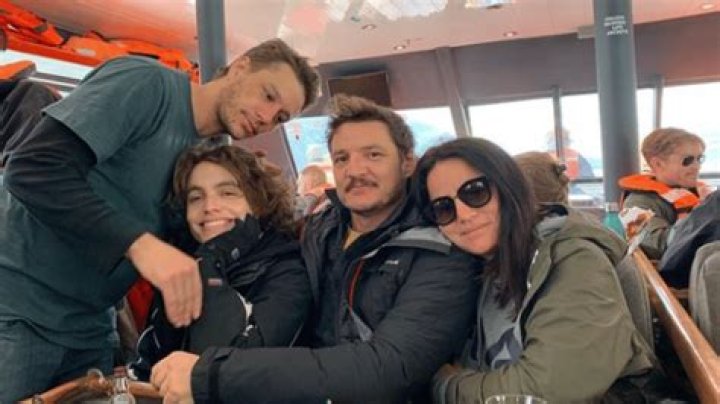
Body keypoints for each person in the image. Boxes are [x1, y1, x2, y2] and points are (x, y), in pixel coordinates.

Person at [0, 38, 319, 402]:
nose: (267, 117)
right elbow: (32, 168)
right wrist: (140, 245)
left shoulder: (211, 152)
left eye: (281, 117)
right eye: (268, 95)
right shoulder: (146, 85)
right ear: (241, 66)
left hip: (90, 326)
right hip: (17, 309)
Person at [149, 95, 480, 403]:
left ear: (407, 162)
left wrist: (213, 374)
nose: (355, 170)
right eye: (342, 158)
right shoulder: (321, 228)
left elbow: (388, 369)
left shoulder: (440, 255)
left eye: (373, 155)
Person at [417, 138, 656, 403]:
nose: (463, 214)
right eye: (443, 208)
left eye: (475, 192)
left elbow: (544, 390)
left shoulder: (574, 259)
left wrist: (443, 383)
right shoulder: (488, 263)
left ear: (509, 187)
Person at [131, 144, 311, 380]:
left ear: (259, 202)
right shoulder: (184, 268)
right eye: (196, 198)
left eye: (228, 193)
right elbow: (147, 366)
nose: (209, 207)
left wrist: (212, 260)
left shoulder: (288, 272)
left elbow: (223, 373)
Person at [619, 127, 713, 260]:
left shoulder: (702, 194)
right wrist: (703, 213)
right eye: (688, 160)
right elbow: (656, 246)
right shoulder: (635, 204)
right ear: (658, 163)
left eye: (699, 159)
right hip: (681, 270)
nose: (696, 166)